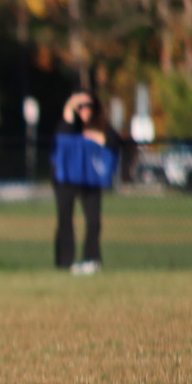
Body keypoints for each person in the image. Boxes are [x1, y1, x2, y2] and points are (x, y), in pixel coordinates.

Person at [51, 92, 120, 274]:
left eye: (89, 106)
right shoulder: (69, 126)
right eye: (81, 106)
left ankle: (92, 259)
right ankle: (65, 262)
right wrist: (70, 104)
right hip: (67, 179)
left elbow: (113, 141)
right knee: (65, 219)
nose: (85, 110)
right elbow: (62, 136)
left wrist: (92, 136)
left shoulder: (101, 126)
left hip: (90, 179)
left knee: (94, 220)